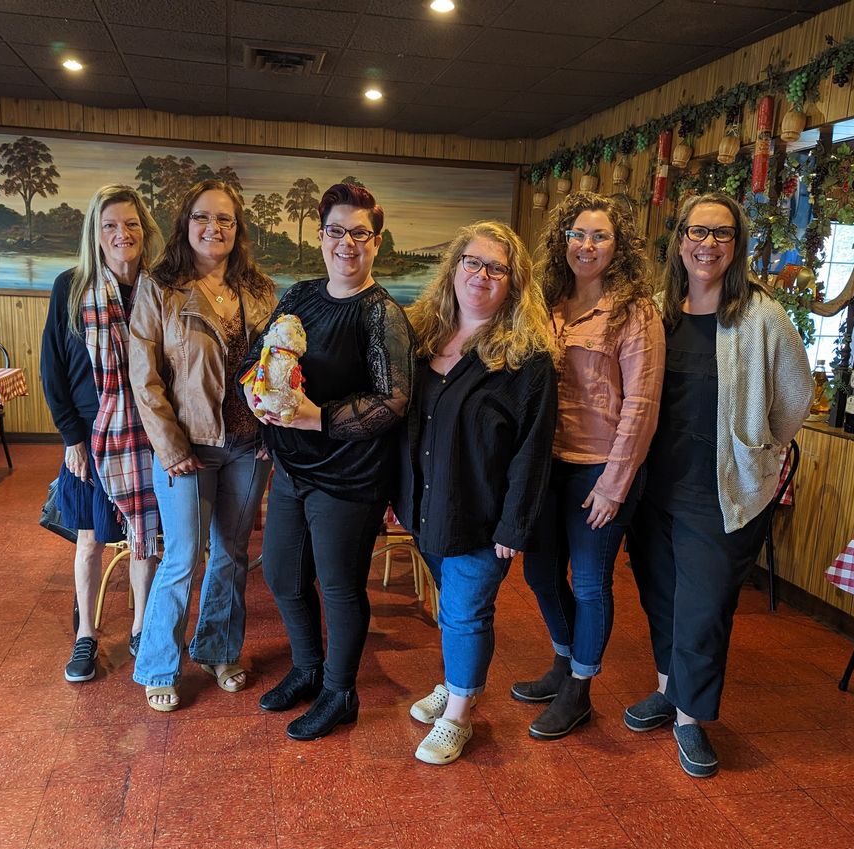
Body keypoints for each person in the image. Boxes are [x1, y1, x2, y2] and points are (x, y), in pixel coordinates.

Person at [625, 192, 810, 777]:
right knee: (660, 597)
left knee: (703, 608)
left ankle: (690, 718)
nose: (708, 244)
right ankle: (666, 689)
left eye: (722, 234)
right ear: (679, 239)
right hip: (653, 483)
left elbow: (797, 395)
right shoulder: (657, 309)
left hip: (721, 490)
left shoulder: (762, 316)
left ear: (737, 244)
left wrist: (762, 446)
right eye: (697, 232)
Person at [241, 182, 414, 742]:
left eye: (359, 233)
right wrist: (252, 391)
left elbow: (394, 401)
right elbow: (262, 355)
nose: (347, 243)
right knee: (281, 574)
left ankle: (341, 692)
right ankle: (308, 668)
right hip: (292, 467)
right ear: (321, 237)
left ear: (376, 242)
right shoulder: (299, 296)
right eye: (336, 231)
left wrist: (316, 417)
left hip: (349, 474)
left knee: (339, 585)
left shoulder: (381, 313)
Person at [398, 221, 558, 765]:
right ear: (454, 269)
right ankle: (456, 679)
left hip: (483, 515)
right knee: (452, 608)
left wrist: (515, 527)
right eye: (473, 262)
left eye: (497, 267)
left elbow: (532, 451)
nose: (482, 275)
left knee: (466, 611)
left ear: (514, 283)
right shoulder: (423, 338)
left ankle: (459, 714)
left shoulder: (527, 361)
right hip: (428, 508)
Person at [514, 193, 664, 740]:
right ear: (564, 240)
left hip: (599, 470)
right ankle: (562, 659)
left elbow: (641, 406)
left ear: (618, 247)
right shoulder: (545, 303)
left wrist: (613, 485)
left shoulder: (635, 312)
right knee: (539, 572)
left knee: (592, 583)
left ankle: (579, 687)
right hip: (544, 465)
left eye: (600, 236)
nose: (587, 245)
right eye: (578, 233)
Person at [129, 180, 276, 712]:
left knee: (232, 555)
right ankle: (158, 665)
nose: (214, 229)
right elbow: (144, 379)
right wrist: (168, 447)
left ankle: (218, 648)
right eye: (202, 217)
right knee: (183, 558)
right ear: (185, 224)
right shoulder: (159, 287)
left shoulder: (260, 290)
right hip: (187, 448)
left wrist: (273, 434)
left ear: (239, 231)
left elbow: (279, 371)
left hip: (248, 446)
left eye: (226, 220)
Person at [41, 184, 164, 682]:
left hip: (148, 437)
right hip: (89, 440)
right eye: (110, 225)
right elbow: (52, 370)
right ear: (95, 232)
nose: (121, 234)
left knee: (144, 540)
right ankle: (86, 636)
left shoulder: (156, 291)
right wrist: (71, 437)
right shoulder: (70, 287)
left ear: (143, 231)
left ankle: (139, 628)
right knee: (88, 542)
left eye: (131, 224)